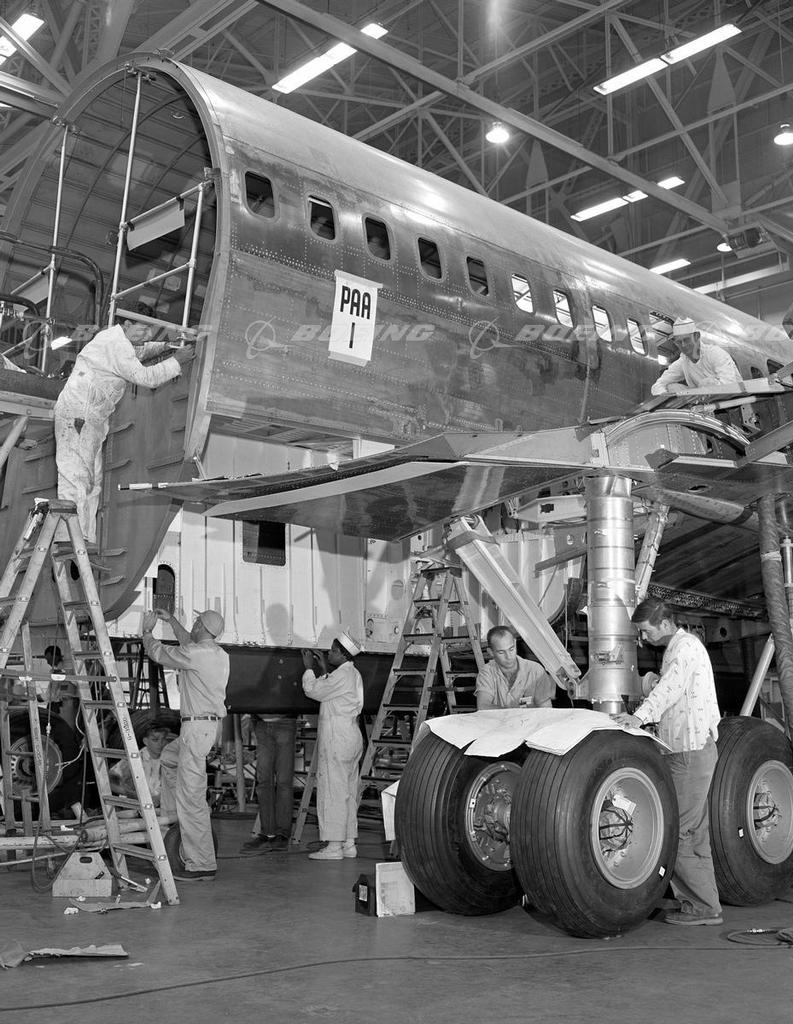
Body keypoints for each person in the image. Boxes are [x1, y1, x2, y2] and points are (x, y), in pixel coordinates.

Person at [613, 596, 723, 927]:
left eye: (646, 631)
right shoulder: (680, 648)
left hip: (689, 755)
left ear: (664, 623)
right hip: (691, 751)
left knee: (680, 831)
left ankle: (702, 907)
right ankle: (703, 902)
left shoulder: (684, 648)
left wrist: (639, 717)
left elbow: (668, 690)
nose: (643, 638)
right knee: (694, 831)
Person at [53, 308, 194, 542]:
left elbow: (140, 350)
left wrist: (166, 346)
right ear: (127, 324)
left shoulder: (120, 340)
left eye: (150, 330)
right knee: (76, 477)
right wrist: (176, 361)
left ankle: (83, 538)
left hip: (90, 419)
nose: (148, 334)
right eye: (143, 329)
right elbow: (146, 378)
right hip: (78, 415)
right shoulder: (114, 343)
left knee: (92, 483)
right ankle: (69, 538)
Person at [141, 607, 229, 882]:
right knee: (169, 756)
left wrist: (147, 631)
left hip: (197, 728)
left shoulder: (197, 654)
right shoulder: (216, 653)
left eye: (196, 621)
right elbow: (189, 643)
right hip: (204, 727)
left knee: (192, 797)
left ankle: (202, 864)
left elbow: (159, 653)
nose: (193, 624)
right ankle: (176, 816)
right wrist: (172, 621)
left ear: (201, 626)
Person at [301, 631, 364, 861]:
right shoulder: (352, 673)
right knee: (347, 791)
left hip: (338, 739)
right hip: (351, 736)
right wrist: (324, 669)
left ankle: (334, 847)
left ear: (343, 654)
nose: (329, 653)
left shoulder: (342, 675)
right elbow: (332, 687)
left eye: (333, 651)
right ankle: (348, 843)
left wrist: (309, 668)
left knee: (333, 791)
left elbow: (313, 690)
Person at [239, 710, 298, 854]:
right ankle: (268, 833)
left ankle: (281, 834)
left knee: (283, 782)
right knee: (265, 782)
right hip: (263, 723)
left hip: (283, 722)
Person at [650, 317, 742, 396]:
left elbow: (730, 385)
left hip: (734, 402)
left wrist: (706, 387)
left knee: (706, 383)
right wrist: (665, 395)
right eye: (679, 342)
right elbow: (658, 385)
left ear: (697, 336)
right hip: (703, 403)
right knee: (672, 388)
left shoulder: (715, 354)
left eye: (686, 340)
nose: (683, 345)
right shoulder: (683, 362)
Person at [475, 625, 556, 710]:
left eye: (511, 649)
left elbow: (546, 708)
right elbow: (483, 706)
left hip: (530, 719)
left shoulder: (535, 671)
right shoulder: (487, 672)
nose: (508, 656)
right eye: (501, 652)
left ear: (515, 643)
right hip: (502, 719)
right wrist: (514, 714)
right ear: (491, 652)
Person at [110, 718, 171, 807]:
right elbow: (110, 782)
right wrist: (132, 794)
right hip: (134, 807)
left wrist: (159, 798)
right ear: (145, 741)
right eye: (155, 740)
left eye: (163, 739)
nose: (160, 743)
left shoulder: (169, 759)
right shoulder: (135, 759)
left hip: (160, 806)